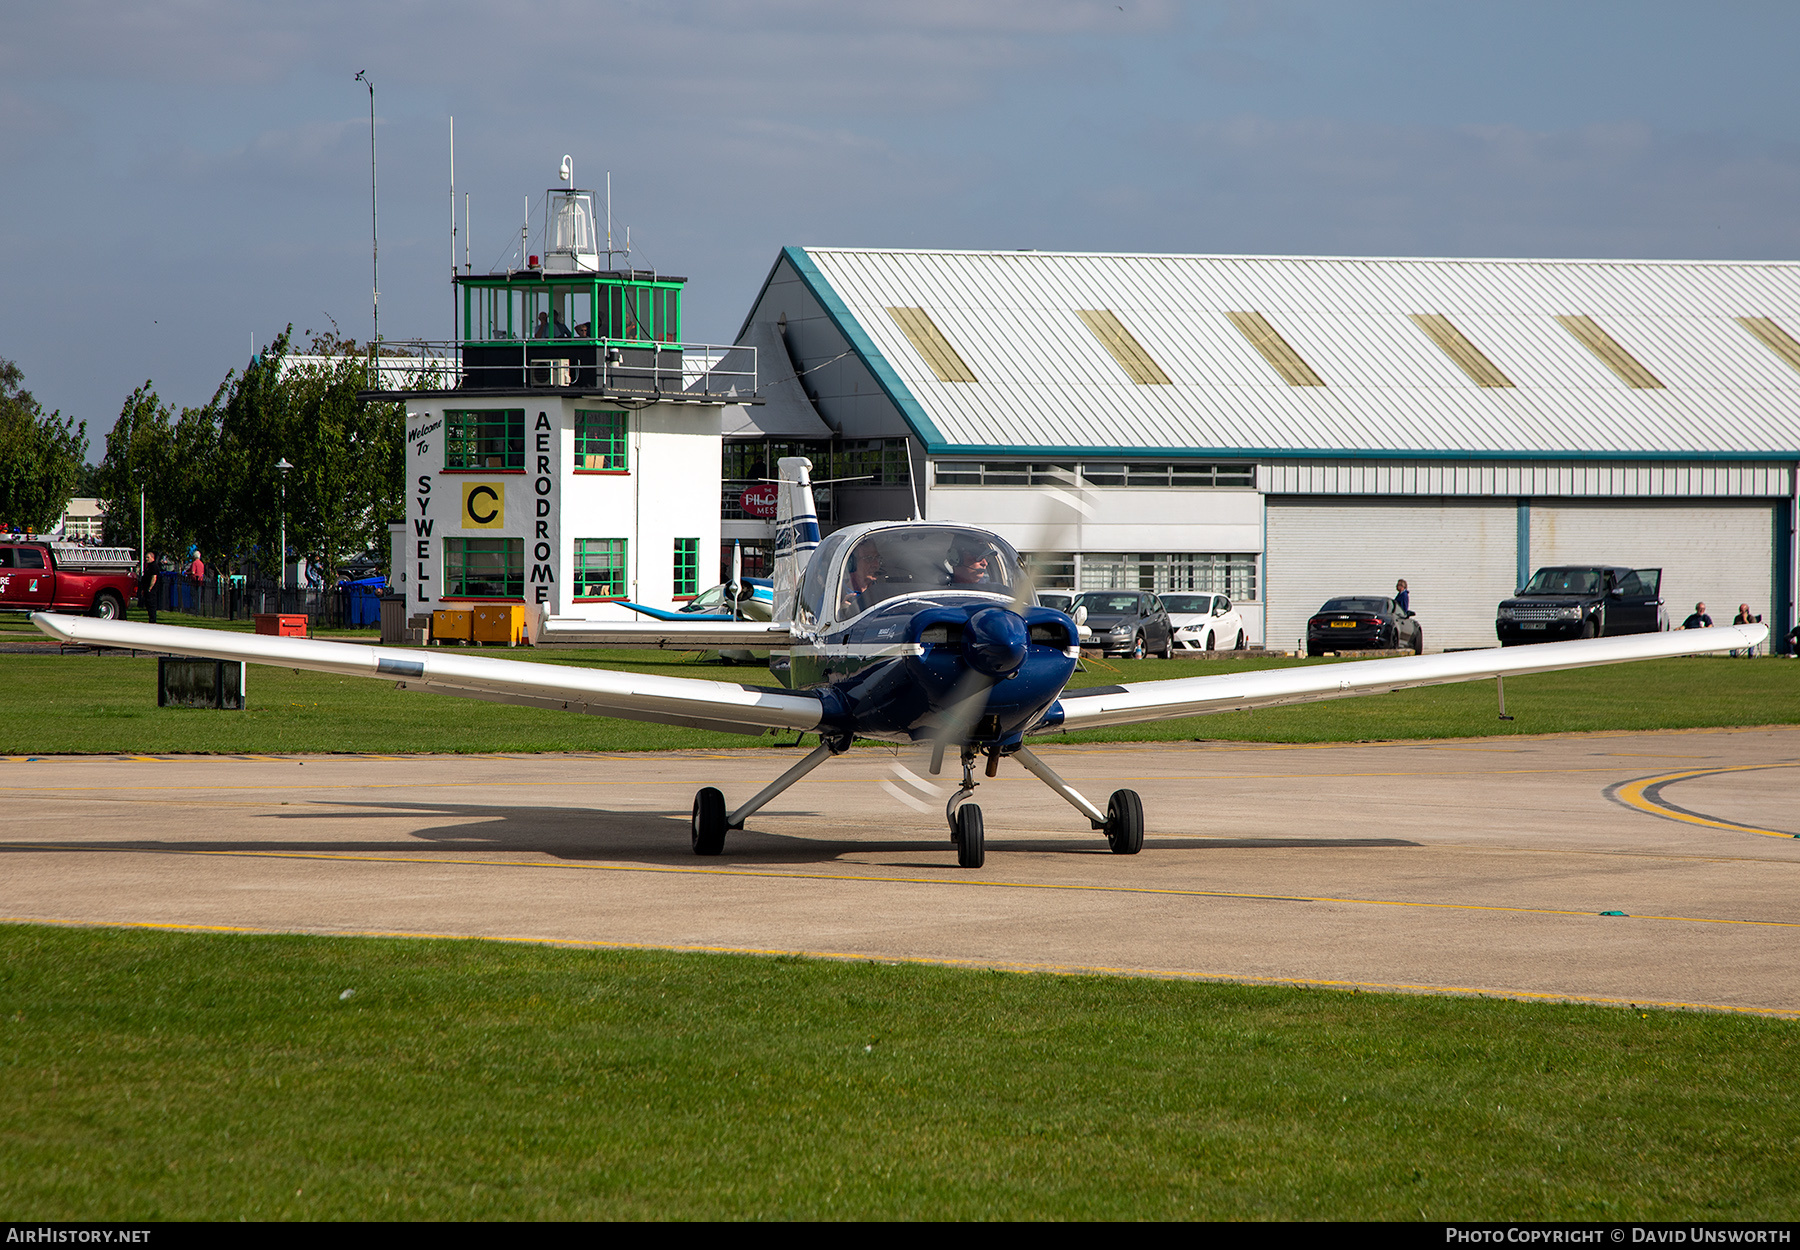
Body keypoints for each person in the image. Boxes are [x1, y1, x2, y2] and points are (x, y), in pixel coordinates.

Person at [839, 543, 883, 616]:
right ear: (852, 563)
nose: (876, 564)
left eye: (877, 558)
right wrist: (841, 613)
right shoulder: (834, 594)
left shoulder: (883, 592)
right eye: (869, 559)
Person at [139, 551, 160, 624]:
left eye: (148, 557)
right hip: (146, 589)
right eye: (146, 557)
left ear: (152, 558)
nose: (146, 559)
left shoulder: (154, 566)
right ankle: (150, 619)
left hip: (151, 590)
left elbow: (154, 577)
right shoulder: (148, 566)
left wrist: (150, 588)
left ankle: (153, 620)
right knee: (148, 605)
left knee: (151, 605)